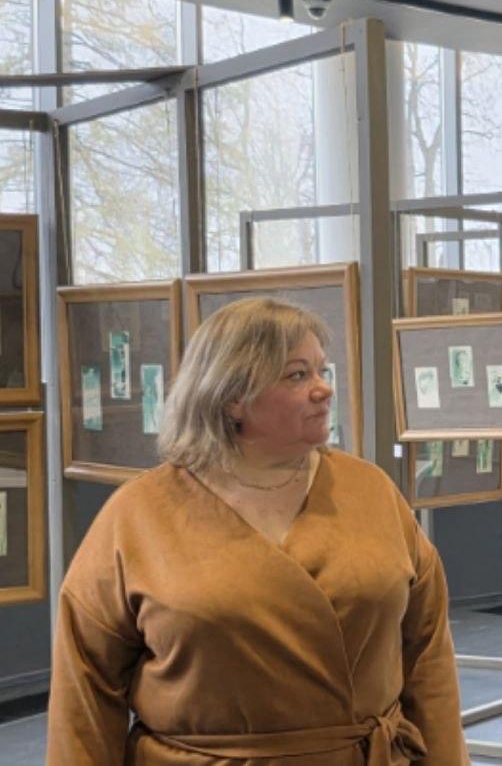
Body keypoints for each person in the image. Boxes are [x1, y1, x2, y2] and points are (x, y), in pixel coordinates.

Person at [47, 297, 469, 765]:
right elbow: (85, 689)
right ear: (232, 396)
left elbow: (427, 656)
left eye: (321, 370)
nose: (324, 388)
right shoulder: (139, 515)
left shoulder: (371, 491)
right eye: (297, 375)